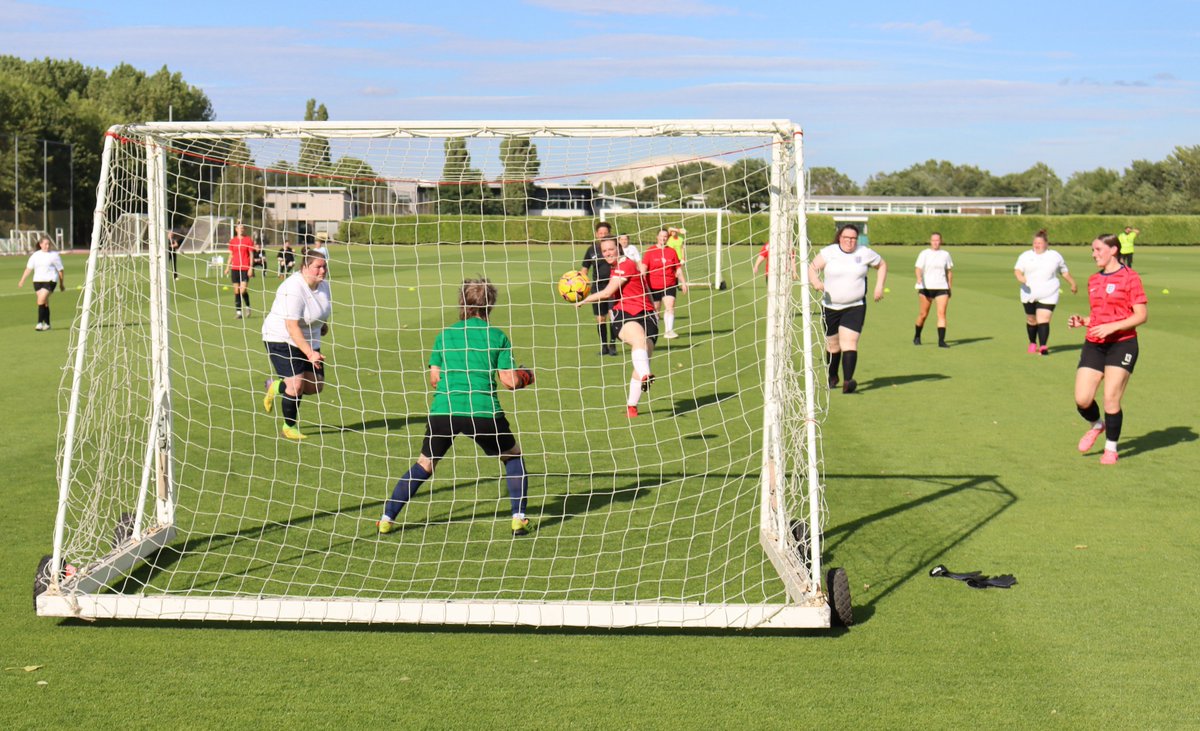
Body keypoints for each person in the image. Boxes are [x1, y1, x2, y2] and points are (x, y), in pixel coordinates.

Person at [377, 278, 535, 537]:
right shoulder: (497, 336)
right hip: (482, 410)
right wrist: (526, 376)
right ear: (490, 305)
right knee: (512, 456)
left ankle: (386, 518)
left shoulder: (444, 335)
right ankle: (518, 519)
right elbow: (509, 381)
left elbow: (435, 378)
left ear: (462, 303)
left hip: (444, 410)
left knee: (424, 464)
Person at [1068, 234, 1148, 465]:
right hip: (1095, 343)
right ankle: (1097, 425)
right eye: (1092, 250)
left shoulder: (1131, 277)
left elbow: (1141, 315)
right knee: (1082, 399)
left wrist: (1112, 327)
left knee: (1110, 398)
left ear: (1113, 250)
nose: (1093, 254)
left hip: (1122, 343)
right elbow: (1098, 316)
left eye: (1097, 249)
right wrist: (1083, 321)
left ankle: (1111, 449)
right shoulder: (1094, 280)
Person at [576, 237, 656, 417]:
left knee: (642, 358)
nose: (608, 253)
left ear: (618, 248)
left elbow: (607, 292)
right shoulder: (619, 266)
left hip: (647, 316)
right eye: (604, 251)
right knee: (639, 342)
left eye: (611, 249)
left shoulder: (625, 265)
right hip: (625, 315)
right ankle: (646, 375)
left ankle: (632, 406)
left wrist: (585, 299)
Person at [808, 224, 887, 394]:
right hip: (830, 306)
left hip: (855, 306)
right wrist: (815, 282)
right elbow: (812, 267)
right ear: (840, 238)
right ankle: (833, 376)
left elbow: (882, 265)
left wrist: (879, 286)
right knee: (833, 345)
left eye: (853, 238)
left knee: (849, 342)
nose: (850, 241)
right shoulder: (829, 252)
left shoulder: (864, 252)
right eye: (846, 238)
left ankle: (848, 381)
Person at [261, 253, 332, 441]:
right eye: (318, 267)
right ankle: (289, 427)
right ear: (304, 267)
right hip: (280, 337)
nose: (323, 270)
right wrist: (310, 353)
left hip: (309, 339)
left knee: (315, 386)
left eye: (324, 266)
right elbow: (291, 326)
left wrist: (322, 325)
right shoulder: (292, 288)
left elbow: (321, 309)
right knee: (296, 385)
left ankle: (275, 386)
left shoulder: (324, 285)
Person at [1014, 229, 1077, 355]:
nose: (1036, 245)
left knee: (1044, 319)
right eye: (1035, 243)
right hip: (1029, 292)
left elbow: (1064, 272)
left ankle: (1043, 346)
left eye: (1039, 243)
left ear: (1046, 244)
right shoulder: (1025, 256)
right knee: (1032, 320)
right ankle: (1032, 343)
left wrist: (1072, 283)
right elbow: (1017, 270)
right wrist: (1020, 277)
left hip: (1049, 292)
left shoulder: (1055, 256)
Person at [579, 221, 617, 356]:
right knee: (600, 318)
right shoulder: (591, 250)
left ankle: (613, 344)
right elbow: (584, 269)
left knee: (613, 316)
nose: (603, 235)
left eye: (605, 233)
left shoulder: (615, 247)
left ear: (609, 234)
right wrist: (578, 284)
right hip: (598, 287)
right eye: (600, 233)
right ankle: (604, 346)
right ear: (596, 234)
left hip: (613, 286)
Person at [642, 228, 687, 338]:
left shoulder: (671, 251)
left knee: (670, 306)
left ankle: (669, 331)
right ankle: (653, 332)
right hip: (653, 286)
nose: (663, 238)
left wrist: (683, 282)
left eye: (665, 236)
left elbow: (678, 269)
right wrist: (642, 282)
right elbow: (644, 268)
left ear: (668, 238)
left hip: (669, 284)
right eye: (661, 236)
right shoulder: (650, 251)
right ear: (657, 237)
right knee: (656, 310)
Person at [913, 232, 954, 348]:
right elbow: (918, 268)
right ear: (930, 241)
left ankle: (941, 341)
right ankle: (917, 336)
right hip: (926, 287)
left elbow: (949, 271)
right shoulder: (924, 253)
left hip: (941, 288)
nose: (935, 242)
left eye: (937, 240)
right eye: (933, 240)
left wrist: (949, 286)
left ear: (941, 241)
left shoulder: (945, 254)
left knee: (941, 314)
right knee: (923, 314)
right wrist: (919, 278)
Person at [17, 236, 65, 331]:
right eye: (45, 244)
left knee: (41, 300)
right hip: (37, 281)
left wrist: (61, 284)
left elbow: (60, 270)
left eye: (49, 244)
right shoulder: (35, 255)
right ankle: (47, 324)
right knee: (44, 302)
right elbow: (28, 268)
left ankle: (39, 323)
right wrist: (22, 280)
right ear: (40, 244)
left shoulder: (54, 255)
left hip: (50, 280)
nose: (47, 246)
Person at [226, 223, 256, 319]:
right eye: (239, 228)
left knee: (242, 290)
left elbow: (251, 255)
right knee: (236, 290)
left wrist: (251, 268)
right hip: (235, 268)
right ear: (236, 229)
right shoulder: (232, 241)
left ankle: (247, 306)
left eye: (243, 228)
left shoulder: (248, 240)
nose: (241, 229)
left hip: (245, 268)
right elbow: (231, 255)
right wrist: (227, 267)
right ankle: (238, 312)